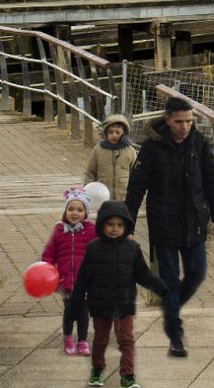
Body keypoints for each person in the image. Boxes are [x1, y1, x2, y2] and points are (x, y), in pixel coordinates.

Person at [125, 97, 214, 358]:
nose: (185, 127)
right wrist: (127, 224)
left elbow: (211, 181)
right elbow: (136, 189)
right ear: (168, 120)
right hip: (164, 224)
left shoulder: (199, 144)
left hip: (195, 222)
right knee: (169, 281)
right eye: (179, 122)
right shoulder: (151, 148)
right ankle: (175, 335)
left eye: (189, 121)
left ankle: (171, 309)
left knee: (197, 273)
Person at [69, 201, 167, 388]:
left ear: (126, 226)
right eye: (110, 224)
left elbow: (143, 275)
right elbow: (82, 280)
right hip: (100, 303)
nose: (115, 229)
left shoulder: (133, 249)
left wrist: (163, 289)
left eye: (120, 225)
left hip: (124, 303)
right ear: (102, 225)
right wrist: (74, 307)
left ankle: (128, 375)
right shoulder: (93, 249)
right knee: (100, 339)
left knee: (126, 339)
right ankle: (97, 369)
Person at [41, 187, 97, 357]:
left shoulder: (91, 231)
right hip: (66, 281)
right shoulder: (59, 231)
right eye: (71, 209)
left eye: (79, 210)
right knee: (70, 312)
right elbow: (48, 254)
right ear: (65, 211)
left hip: (85, 282)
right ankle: (67, 338)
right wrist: (48, 270)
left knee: (84, 313)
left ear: (85, 212)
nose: (74, 213)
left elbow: (98, 252)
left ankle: (82, 340)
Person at [84, 114, 138, 201]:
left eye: (118, 132)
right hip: (103, 197)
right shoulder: (98, 150)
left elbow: (136, 174)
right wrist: (89, 190)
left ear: (124, 133)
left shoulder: (130, 150)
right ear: (105, 133)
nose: (114, 135)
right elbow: (90, 173)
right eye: (110, 132)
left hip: (124, 198)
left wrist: (134, 193)